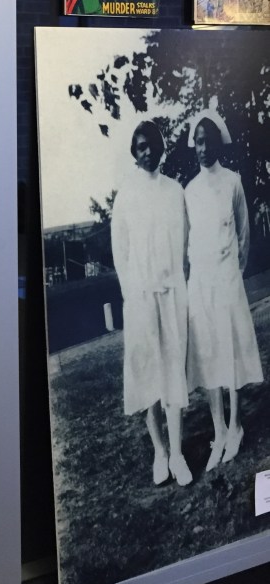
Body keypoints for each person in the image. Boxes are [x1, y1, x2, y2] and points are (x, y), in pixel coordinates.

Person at [111, 120, 192, 487]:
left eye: (151, 145)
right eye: (140, 146)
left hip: (171, 293)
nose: (146, 151)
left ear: (161, 148)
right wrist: (132, 294)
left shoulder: (175, 191)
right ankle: (159, 452)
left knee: (173, 371)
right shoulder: (126, 194)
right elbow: (120, 252)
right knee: (147, 373)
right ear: (134, 151)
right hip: (140, 300)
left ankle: (177, 453)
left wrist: (178, 283)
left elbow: (183, 243)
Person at [185, 111, 263, 471]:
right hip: (200, 282)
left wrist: (234, 270)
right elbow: (189, 241)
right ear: (194, 145)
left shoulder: (233, 181)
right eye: (199, 142)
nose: (203, 148)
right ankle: (218, 430)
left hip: (227, 278)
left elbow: (244, 234)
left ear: (218, 143)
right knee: (208, 355)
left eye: (209, 141)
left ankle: (236, 426)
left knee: (229, 351)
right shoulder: (189, 190)